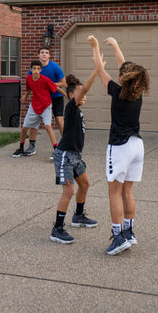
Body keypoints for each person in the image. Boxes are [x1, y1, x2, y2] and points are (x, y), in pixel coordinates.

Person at [88, 35, 150, 256]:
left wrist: (95, 47)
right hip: (137, 146)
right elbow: (124, 66)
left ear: (123, 78)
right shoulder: (137, 92)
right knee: (127, 191)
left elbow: (99, 69)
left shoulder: (116, 91)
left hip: (120, 147)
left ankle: (118, 237)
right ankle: (129, 233)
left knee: (114, 193)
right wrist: (115, 45)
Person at [50, 68, 99, 244]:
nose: (84, 95)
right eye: (80, 93)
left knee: (84, 185)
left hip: (76, 156)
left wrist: (63, 89)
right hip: (64, 155)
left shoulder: (76, 107)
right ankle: (57, 229)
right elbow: (83, 89)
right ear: (73, 96)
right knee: (69, 190)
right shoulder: (71, 107)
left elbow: (72, 91)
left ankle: (78, 216)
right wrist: (98, 69)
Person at [12, 59, 66, 158]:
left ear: (41, 70)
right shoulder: (28, 79)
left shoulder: (45, 80)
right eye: (34, 69)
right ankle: (21, 148)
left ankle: (56, 150)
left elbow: (57, 88)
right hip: (34, 106)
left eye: (38, 69)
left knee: (48, 126)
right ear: (31, 70)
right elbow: (29, 89)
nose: (36, 70)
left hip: (46, 105)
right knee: (24, 128)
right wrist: (25, 96)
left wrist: (67, 96)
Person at [25, 47, 66, 157]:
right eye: (42, 53)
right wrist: (25, 96)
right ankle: (31, 147)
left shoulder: (55, 67)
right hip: (40, 99)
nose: (44, 55)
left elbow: (64, 83)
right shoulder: (33, 68)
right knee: (34, 122)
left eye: (46, 53)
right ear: (38, 55)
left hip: (55, 97)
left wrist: (48, 84)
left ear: (49, 55)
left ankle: (65, 146)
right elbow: (30, 84)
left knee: (59, 119)